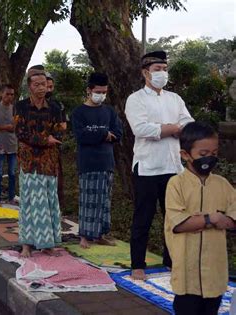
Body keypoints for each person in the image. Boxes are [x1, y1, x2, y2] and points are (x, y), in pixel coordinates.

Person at [125, 50, 194, 280]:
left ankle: (172, 260)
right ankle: (137, 264)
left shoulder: (174, 99)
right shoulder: (136, 99)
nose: (162, 74)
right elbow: (141, 129)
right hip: (147, 167)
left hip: (173, 167)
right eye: (157, 70)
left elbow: (188, 124)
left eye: (165, 69)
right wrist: (172, 129)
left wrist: (166, 128)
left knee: (173, 217)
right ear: (146, 73)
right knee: (143, 217)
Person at [165, 122, 236, 315]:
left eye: (213, 154)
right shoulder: (176, 184)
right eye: (203, 154)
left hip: (215, 271)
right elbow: (178, 223)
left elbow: (233, 218)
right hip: (187, 272)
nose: (209, 159)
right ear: (185, 155)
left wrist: (222, 220)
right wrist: (212, 218)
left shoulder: (222, 184)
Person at [15, 66, 64, 257]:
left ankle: (48, 244)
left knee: (50, 202)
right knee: (29, 202)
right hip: (29, 163)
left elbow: (60, 130)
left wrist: (48, 138)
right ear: (30, 87)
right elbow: (20, 132)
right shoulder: (21, 107)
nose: (41, 88)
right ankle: (26, 244)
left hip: (49, 163)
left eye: (44, 84)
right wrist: (45, 139)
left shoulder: (56, 107)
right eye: (37, 85)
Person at [72, 73, 123, 249]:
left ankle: (102, 233)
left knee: (104, 200)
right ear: (89, 90)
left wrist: (105, 136)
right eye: (98, 91)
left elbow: (118, 133)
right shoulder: (79, 112)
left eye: (104, 92)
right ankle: (85, 236)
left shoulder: (109, 111)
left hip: (106, 162)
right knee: (87, 199)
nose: (101, 95)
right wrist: (103, 134)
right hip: (88, 162)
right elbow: (81, 136)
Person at [45, 72, 67, 210]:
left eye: (50, 87)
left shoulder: (58, 105)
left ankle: (57, 204)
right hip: (35, 149)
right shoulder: (29, 105)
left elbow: (63, 126)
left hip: (54, 147)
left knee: (56, 176)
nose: (48, 89)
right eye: (45, 86)